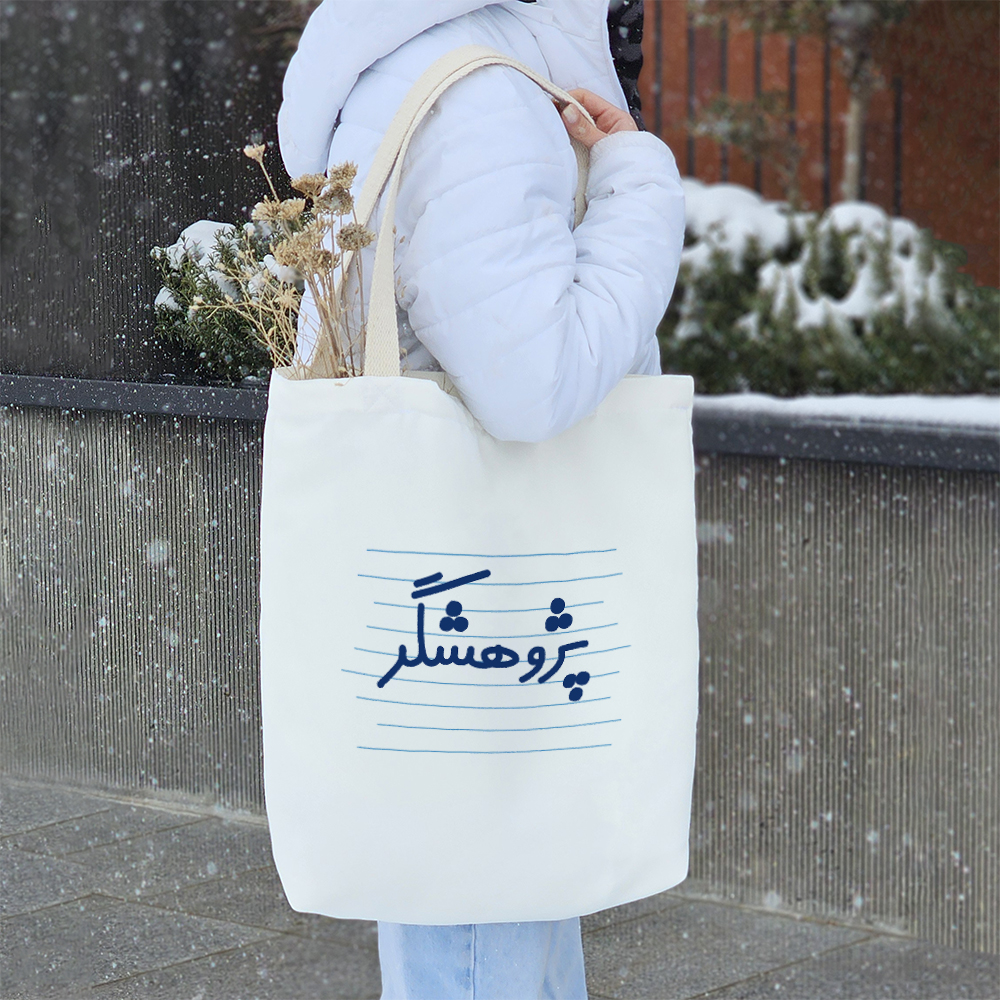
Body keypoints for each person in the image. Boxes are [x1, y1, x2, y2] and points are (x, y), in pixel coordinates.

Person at [277, 1, 685, 996]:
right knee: (483, 916)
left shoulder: (431, 61)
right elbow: (532, 384)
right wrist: (637, 185)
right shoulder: (479, 95)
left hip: (464, 600)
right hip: (495, 609)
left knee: (486, 893)